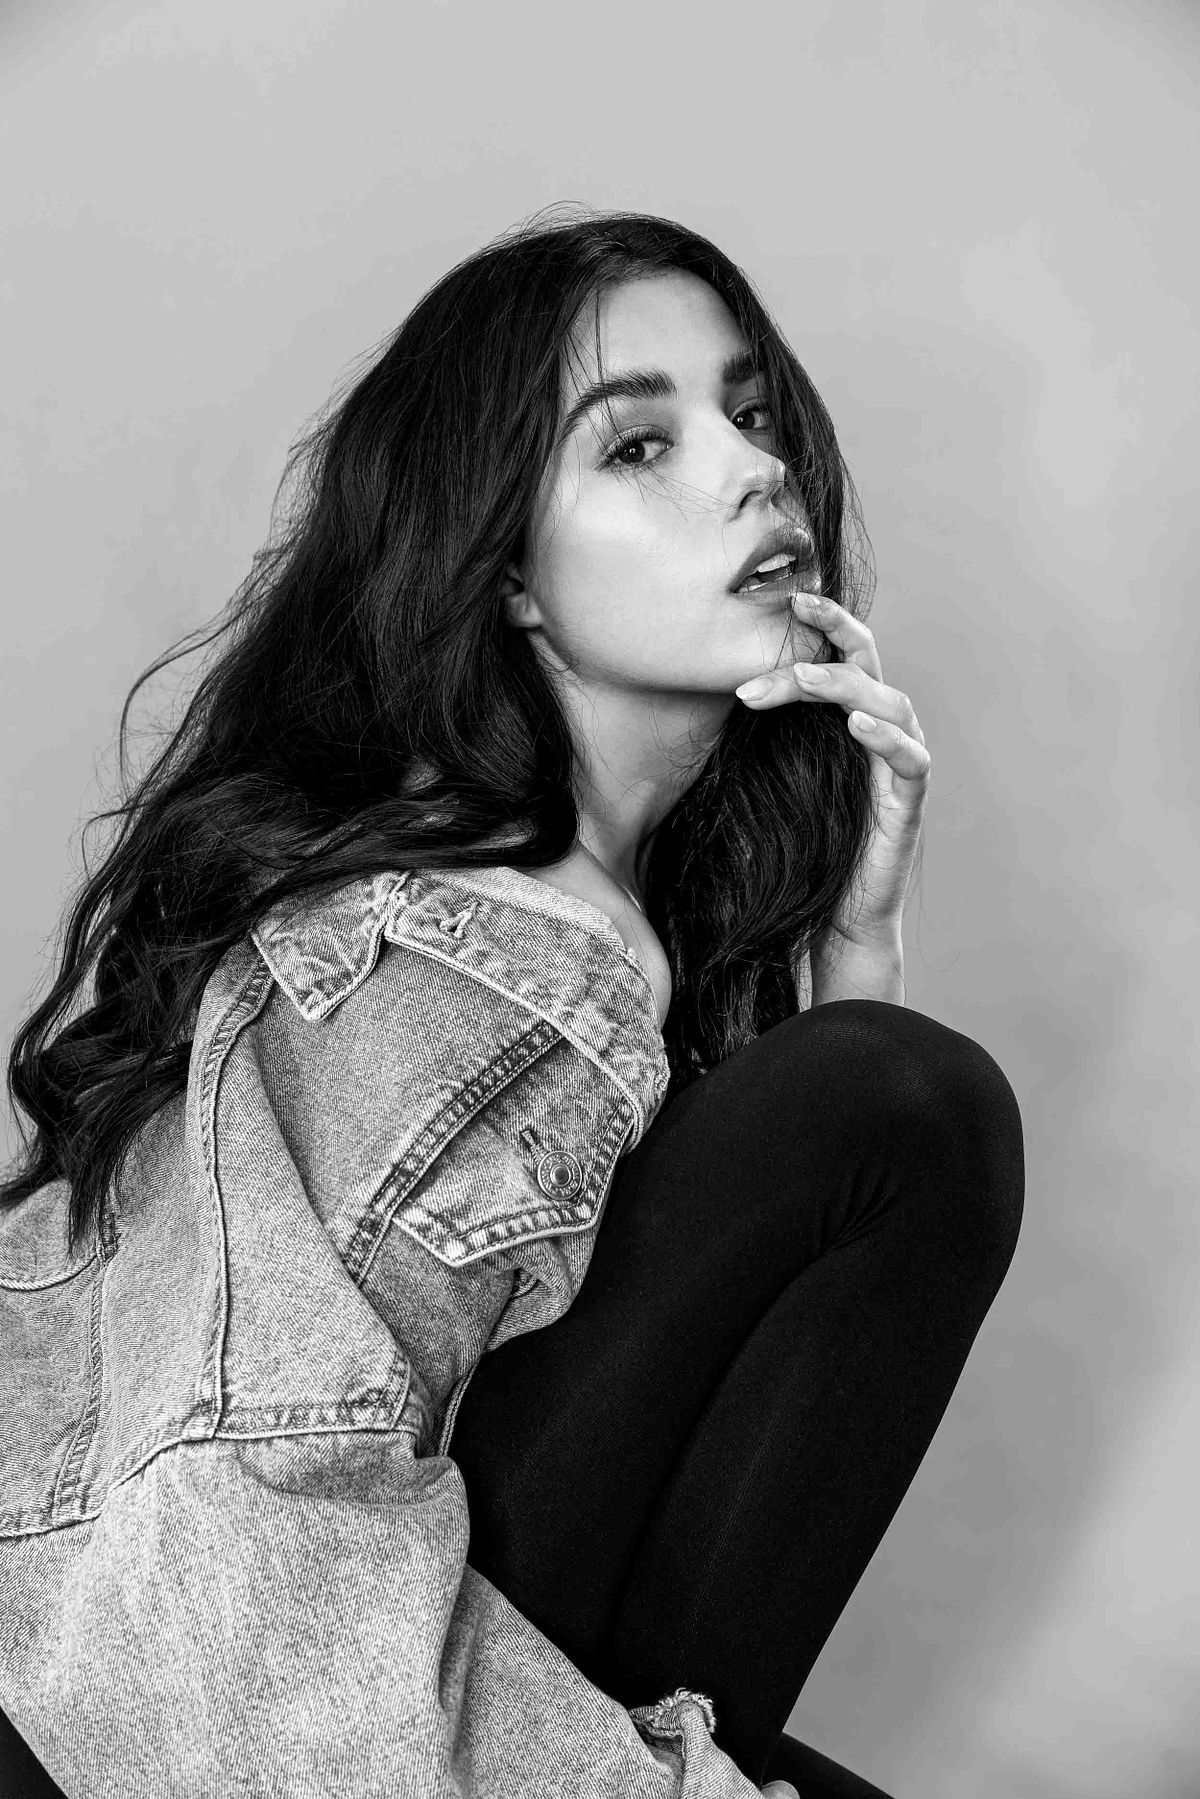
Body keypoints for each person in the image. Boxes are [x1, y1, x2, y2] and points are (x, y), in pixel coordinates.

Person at [0, 207, 1025, 1799]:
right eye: (638, 446)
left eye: (751, 414)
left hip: (321, 1663)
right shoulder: (426, 961)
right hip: (197, 1704)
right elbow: (236, 1540)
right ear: (515, 585)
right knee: (899, 1107)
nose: (756, 470)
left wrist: (854, 947)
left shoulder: (579, 945)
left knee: (874, 1097)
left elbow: (697, 1432)